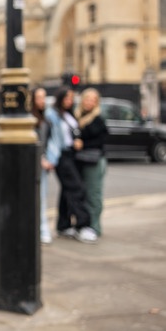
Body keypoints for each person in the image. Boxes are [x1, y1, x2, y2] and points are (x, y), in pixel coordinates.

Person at [44, 86, 97, 243]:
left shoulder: (68, 114)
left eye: (71, 98)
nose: (69, 101)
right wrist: (47, 157)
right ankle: (82, 226)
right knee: (77, 188)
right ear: (60, 98)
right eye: (66, 98)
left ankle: (63, 225)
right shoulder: (52, 115)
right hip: (61, 156)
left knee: (67, 191)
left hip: (72, 154)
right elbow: (49, 138)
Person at [74, 88, 108, 236]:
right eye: (87, 99)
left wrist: (83, 144)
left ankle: (95, 227)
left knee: (94, 194)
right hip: (80, 160)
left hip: (94, 161)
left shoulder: (98, 118)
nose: (90, 102)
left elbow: (101, 141)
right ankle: (84, 225)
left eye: (93, 100)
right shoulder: (77, 116)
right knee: (82, 194)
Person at [32, 88, 53, 244]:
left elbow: (48, 142)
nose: (42, 100)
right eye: (39, 97)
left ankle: (43, 229)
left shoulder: (46, 118)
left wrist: (48, 158)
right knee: (35, 198)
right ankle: (40, 229)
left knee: (42, 198)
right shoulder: (31, 119)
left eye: (44, 97)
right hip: (34, 164)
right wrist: (40, 158)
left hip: (42, 166)